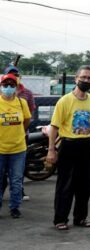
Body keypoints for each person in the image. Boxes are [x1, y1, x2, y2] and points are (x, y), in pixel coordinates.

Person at [46, 65, 90, 230]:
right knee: (65, 184)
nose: (86, 80)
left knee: (84, 185)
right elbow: (54, 127)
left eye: (89, 78)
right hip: (69, 145)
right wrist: (51, 149)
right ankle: (60, 219)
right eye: (83, 77)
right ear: (76, 79)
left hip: (86, 145)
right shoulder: (64, 101)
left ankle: (80, 218)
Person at [1, 65, 35, 201]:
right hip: (2, 142)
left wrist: (20, 129)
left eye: (15, 75)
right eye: (10, 75)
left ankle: (17, 196)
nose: (11, 81)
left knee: (17, 173)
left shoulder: (27, 93)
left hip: (21, 137)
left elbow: (29, 114)